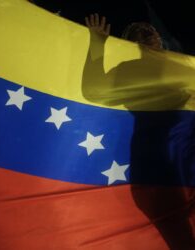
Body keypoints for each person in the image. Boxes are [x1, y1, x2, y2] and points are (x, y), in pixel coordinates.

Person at [83, 13, 195, 249]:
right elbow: (94, 90)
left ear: (159, 37)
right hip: (160, 163)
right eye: (137, 34)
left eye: (149, 30)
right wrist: (97, 43)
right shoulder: (129, 70)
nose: (146, 34)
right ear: (129, 45)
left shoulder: (182, 65)